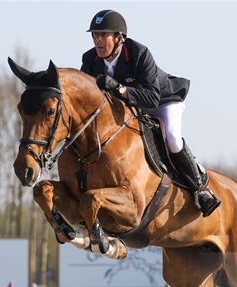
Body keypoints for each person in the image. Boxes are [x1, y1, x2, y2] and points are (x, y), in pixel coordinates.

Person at [80, 9, 221, 217]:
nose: (98, 40)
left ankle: (201, 189)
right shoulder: (90, 59)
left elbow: (152, 97)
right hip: (133, 107)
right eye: (95, 35)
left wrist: (120, 88)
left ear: (119, 38)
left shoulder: (139, 53)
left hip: (163, 101)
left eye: (103, 35)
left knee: (172, 138)